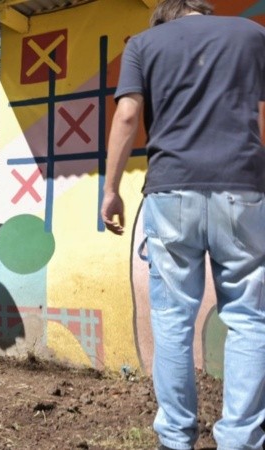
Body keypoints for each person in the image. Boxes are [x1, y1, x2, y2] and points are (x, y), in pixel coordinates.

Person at [100, 1, 265, 449]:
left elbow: (128, 116)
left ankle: (175, 439)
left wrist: (111, 190)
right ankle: (241, 440)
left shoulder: (143, 45)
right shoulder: (252, 35)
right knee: (249, 319)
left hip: (171, 192)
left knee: (172, 321)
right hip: (243, 190)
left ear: (164, 16)